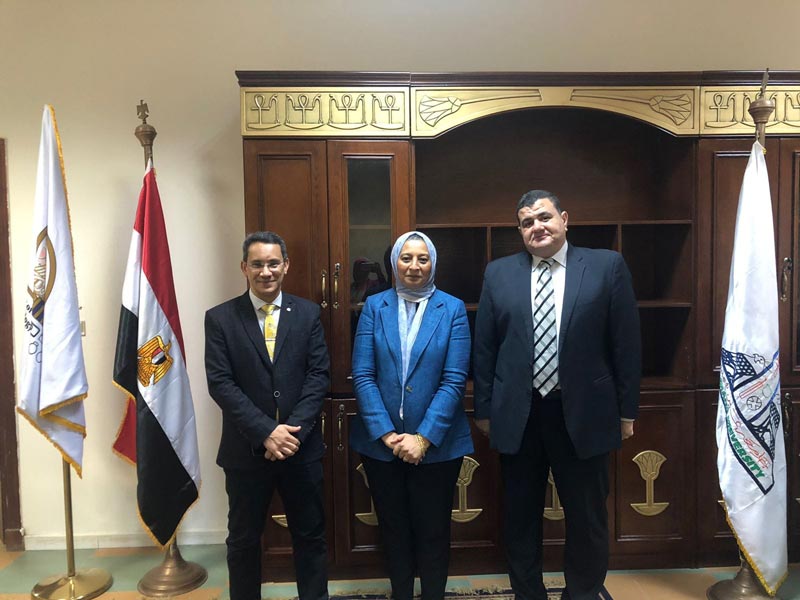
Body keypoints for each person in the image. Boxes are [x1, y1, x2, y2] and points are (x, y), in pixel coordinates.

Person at [473, 190, 641, 600]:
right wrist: (484, 410)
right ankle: (528, 593)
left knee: (587, 516)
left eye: (544, 217)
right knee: (519, 518)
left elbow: (626, 343)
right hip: (520, 414)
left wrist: (627, 411)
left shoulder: (605, 266)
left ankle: (582, 593)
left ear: (565, 219)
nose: (537, 227)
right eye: (527, 222)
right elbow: (485, 348)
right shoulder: (499, 274)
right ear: (520, 231)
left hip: (585, 413)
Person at [205, 231, 330, 600]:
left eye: (273, 263)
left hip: (300, 449)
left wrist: (291, 434)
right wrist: (265, 432)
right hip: (245, 453)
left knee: (310, 536)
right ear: (244, 267)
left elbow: (319, 375)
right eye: (257, 264)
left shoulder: (307, 314)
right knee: (243, 542)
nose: (266, 271)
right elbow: (220, 383)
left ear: (286, 266)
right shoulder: (220, 318)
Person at [350, 231, 473, 600]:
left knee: (434, 531)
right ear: (393, 263)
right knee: (394, 529)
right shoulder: (375, 306)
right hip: (381, 446)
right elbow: (364, 373)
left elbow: (454, 380)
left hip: (437, 446)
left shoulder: (452, 309)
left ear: (433, 263)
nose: (414, 266)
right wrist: (387, 434)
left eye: (423, 258)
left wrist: (423, 437)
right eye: (406, 258)